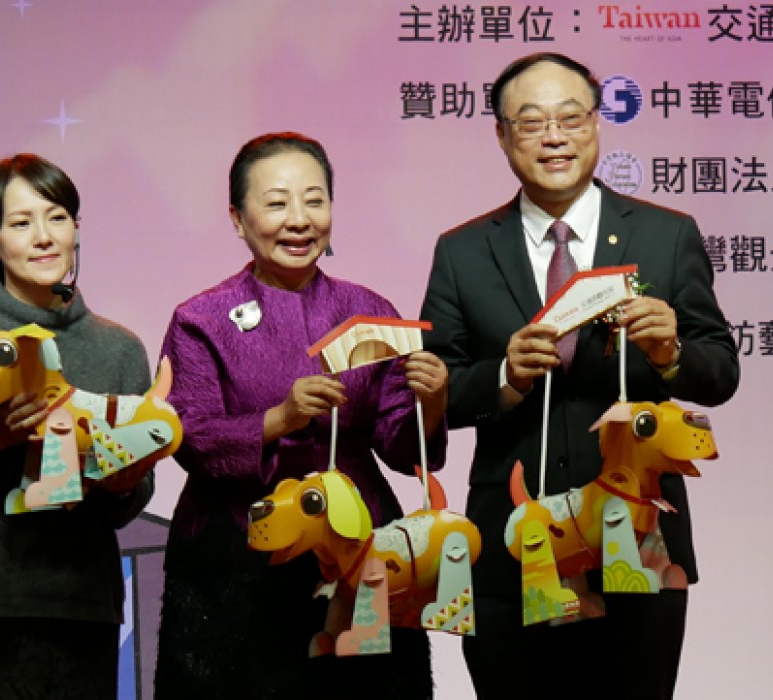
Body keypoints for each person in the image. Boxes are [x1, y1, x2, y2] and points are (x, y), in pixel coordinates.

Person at [419, 52, 740, 699]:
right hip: (512, 552)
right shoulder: (463, 250)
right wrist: (503, 378)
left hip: (640, 546)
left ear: (597, 123)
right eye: (532, 122)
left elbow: (719, 372)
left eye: (571, 117)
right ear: (502, 134)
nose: (555, 136)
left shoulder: (665, 234)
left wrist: (670, 351)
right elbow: (437, 391)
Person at [155, 132, 450, 699]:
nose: (299, 219)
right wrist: (278, 420)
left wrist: (431, 402)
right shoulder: (200, 318)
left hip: (358, 556)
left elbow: (400, 445)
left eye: (314, 200)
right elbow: (185, 435)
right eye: (276, 202)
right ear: (238, 220)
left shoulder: (370, 311)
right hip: (235, 559)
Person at [0, 153, 156, 699]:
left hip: (78, 607)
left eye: (57, 217)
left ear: (76, 230)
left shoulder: (119, 348)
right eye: (21, 223)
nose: (43, 237)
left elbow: (129, 502)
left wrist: (116, 470)